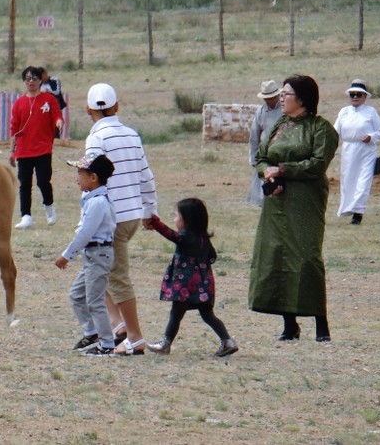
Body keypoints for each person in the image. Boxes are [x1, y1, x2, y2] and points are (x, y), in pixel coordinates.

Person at [249, 75, 338, 342]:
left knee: (306, 257)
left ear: (302, 99)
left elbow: (318, 164)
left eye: (287, 94)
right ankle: (290, 325)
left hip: (305, 201)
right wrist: (269, 175)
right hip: (276, 203)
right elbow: (261, 157)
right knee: (278, 256)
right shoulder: (280, 124)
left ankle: (321, 325)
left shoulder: (320, 129)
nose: (282, 99)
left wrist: (285, 169)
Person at [84, 83, 158, 356]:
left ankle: (135, 337)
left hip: (110, 218)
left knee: (115, 277)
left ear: (88, 109)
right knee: (98, 273)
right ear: (117, 106)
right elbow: (146, 176)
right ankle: (119, 327)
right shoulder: (132, 134)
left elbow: (93, 180)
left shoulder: (95, 139)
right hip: (133, 216)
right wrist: (150, 211)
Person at [146, 198, 238, 357]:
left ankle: (165, 344)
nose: (174, 220)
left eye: (176, 216)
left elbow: (170, 234)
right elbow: (212, 256)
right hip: (203, 286)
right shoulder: (204, 239)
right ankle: (228, 341)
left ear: (186, 220)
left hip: (184, 286)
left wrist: (155, 223)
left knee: (176, 314)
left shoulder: (185, 237)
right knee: (208, 315)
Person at [55, 153, 118, 357]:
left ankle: (107, 343)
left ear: (94, 177)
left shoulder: (98, 202)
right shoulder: (91, 199)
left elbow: (85, 233)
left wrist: (67, 255)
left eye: (81, 173)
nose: (77, 178)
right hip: (92, 255)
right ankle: (92, 334)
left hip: (99, 254)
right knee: (77, 295)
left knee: (95, 300)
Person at [10, 66, 64, 229]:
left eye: (34, 78)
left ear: (40, 80)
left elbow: (57, 115)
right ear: (24, 81)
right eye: (27, 78)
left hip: (43, 149)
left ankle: (49, 208)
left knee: (43, 181)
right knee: (24, 184)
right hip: (24, 151)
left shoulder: (49, 99)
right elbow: (14, 128)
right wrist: (12, 151)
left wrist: (59, 122)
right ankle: (26, 216)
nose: (31, 81)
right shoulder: (19, 103)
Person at [334, 78, 380, 225]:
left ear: (365, 96)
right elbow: (335, 131)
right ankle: (347, 208)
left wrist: (371, 137)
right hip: (349, 149)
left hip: (366, 150)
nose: (355, 97)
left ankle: (358, 213)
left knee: (363, 180)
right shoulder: (344, 112)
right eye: (353, 94)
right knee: (348, 180)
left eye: (359, 94)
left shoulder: (371, 112)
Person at [247, 80, 282, 207]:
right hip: (266, 153)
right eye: (267, 98)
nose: (270, 101)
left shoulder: (285, 109)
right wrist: (253, 158)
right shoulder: (261, 111)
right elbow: (254, 136)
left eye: (272, 98)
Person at [40, 67, 67, 139]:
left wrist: (49, 92)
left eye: (42, 77)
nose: (42, 79)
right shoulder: (39, 83)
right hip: (43, 106)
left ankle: (56, 138)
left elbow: (58, 92)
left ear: (45, 74)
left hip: (55, 105)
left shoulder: (55, 80)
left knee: (56, 121)